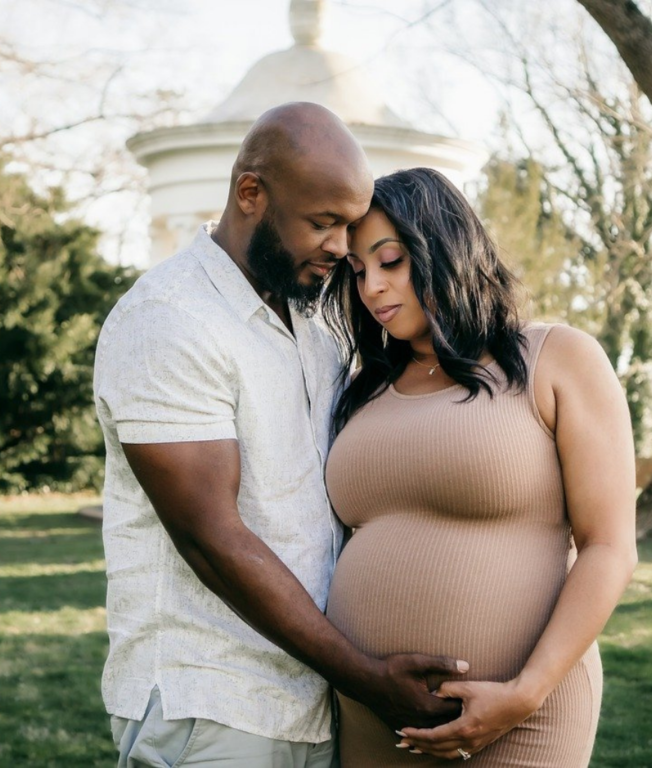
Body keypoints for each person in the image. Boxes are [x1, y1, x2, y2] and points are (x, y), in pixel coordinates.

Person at [93, 106, 467, 768]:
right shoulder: (169, 320)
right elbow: (214, 541)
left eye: (349, 226)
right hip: (210, 706)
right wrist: (366, 677)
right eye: (322, 222)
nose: (341, 247)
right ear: (250, 194)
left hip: (311, 707)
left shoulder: (315, 325)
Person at [322, 167, 638, 766]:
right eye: (358, 272)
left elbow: (610, 548)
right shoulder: (363, 390)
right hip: (374, 715)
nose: (371, 289)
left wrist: (526, 693)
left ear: (443, 247)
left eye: (390, 261)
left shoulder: (556, 358)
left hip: (524, 716)